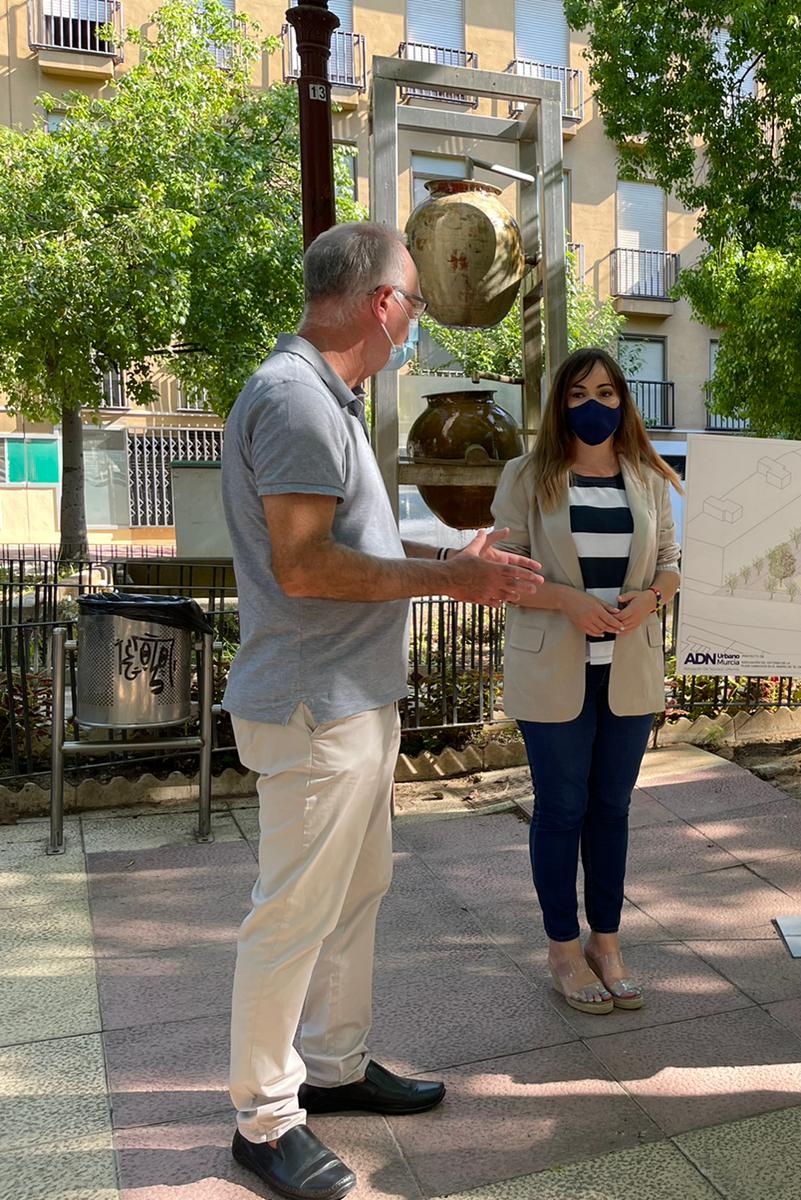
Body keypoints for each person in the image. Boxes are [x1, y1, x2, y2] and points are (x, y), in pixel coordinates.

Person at [222, 222, 543, 1200]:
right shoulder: (295, 400)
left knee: (351, 899)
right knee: (290, 918)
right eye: (411, 300)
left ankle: (335, 1066)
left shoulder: (326, 400)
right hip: (316, 706)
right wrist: (450, 576)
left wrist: (452, 556)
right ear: (379, 304)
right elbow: (306, 564)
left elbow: (347, 536)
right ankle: (266, 1122)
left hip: (350, 701)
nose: (415, 323)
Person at [490, 347, 682, 1015]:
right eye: (577, 394)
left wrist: (652, 600)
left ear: (624, 400)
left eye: (605, 392)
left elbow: (671, 564)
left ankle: (607, 942)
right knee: (561, 810)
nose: (593, 405)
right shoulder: (527, 475)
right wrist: (569, 600)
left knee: (613, 811)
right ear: (558, 405)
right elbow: (501, 570)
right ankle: (563, 951)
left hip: (628, 668)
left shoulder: (648, 479)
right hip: (553, 668)